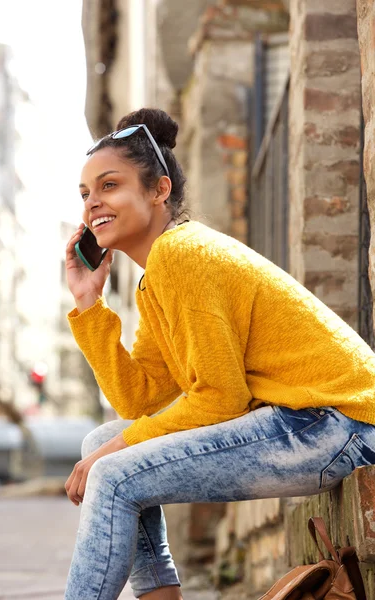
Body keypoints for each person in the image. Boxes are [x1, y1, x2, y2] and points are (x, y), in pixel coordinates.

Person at [64, 107, 375, 600]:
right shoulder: (159, 276)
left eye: (108, 186)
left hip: (338, 422)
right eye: (85, 194)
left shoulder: (181, 254)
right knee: (102, 442)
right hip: (309, 421)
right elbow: (137, 398)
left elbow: (219, 398)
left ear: (158, 189)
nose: (92, 205)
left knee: (112, 471)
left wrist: (115, 454)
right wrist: (88, 303)